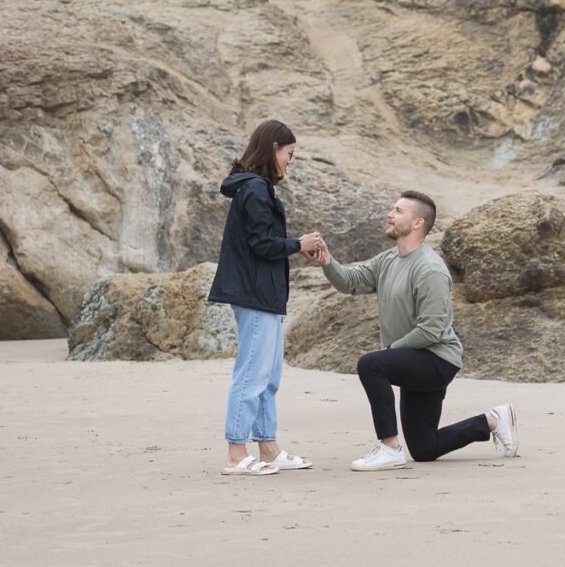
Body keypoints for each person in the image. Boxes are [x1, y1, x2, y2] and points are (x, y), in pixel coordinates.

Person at [304, 190, 518, 471]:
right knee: (424, 448)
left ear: (417, 223)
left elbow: (431, 330)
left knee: (371, 365)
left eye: (398, 211)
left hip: (436, 360)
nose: (389, 215)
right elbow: (350, 282)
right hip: (412, 357)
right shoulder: (388, 260)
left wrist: (392, 350)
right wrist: (327, 261)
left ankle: (390, 447)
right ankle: (492, 420)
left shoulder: (430, 269)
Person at [208, 120, 323, 476]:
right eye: (289, 154)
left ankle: (268, 447)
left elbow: (259, 242)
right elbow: (261, 243)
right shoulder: (255, 189)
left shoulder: (254, 187)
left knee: (268, 374)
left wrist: (293, 247)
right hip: (255, 293)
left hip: (264, 294)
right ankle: (235, 454)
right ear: (274, 147)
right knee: (252, 374)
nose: (290, 161)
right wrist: (297, 245)